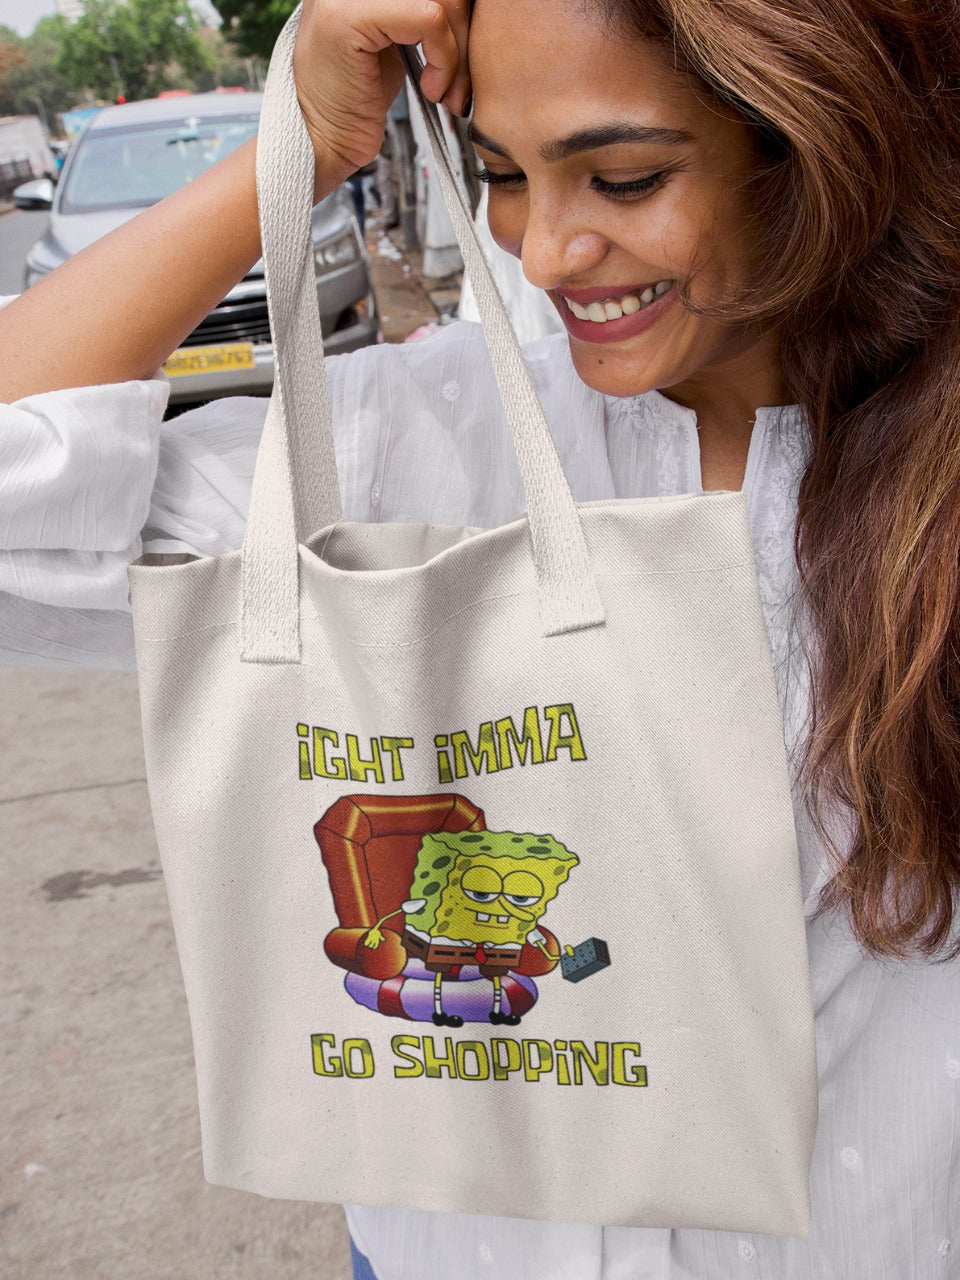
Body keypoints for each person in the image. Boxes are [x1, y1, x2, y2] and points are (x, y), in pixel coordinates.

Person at [1, 0, 958, 1277]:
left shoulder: (929, 476)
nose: (547, 252)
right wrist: (289, 142)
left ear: (826, 145)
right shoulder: (429, 435)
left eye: (625, 175)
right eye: (501, 173)